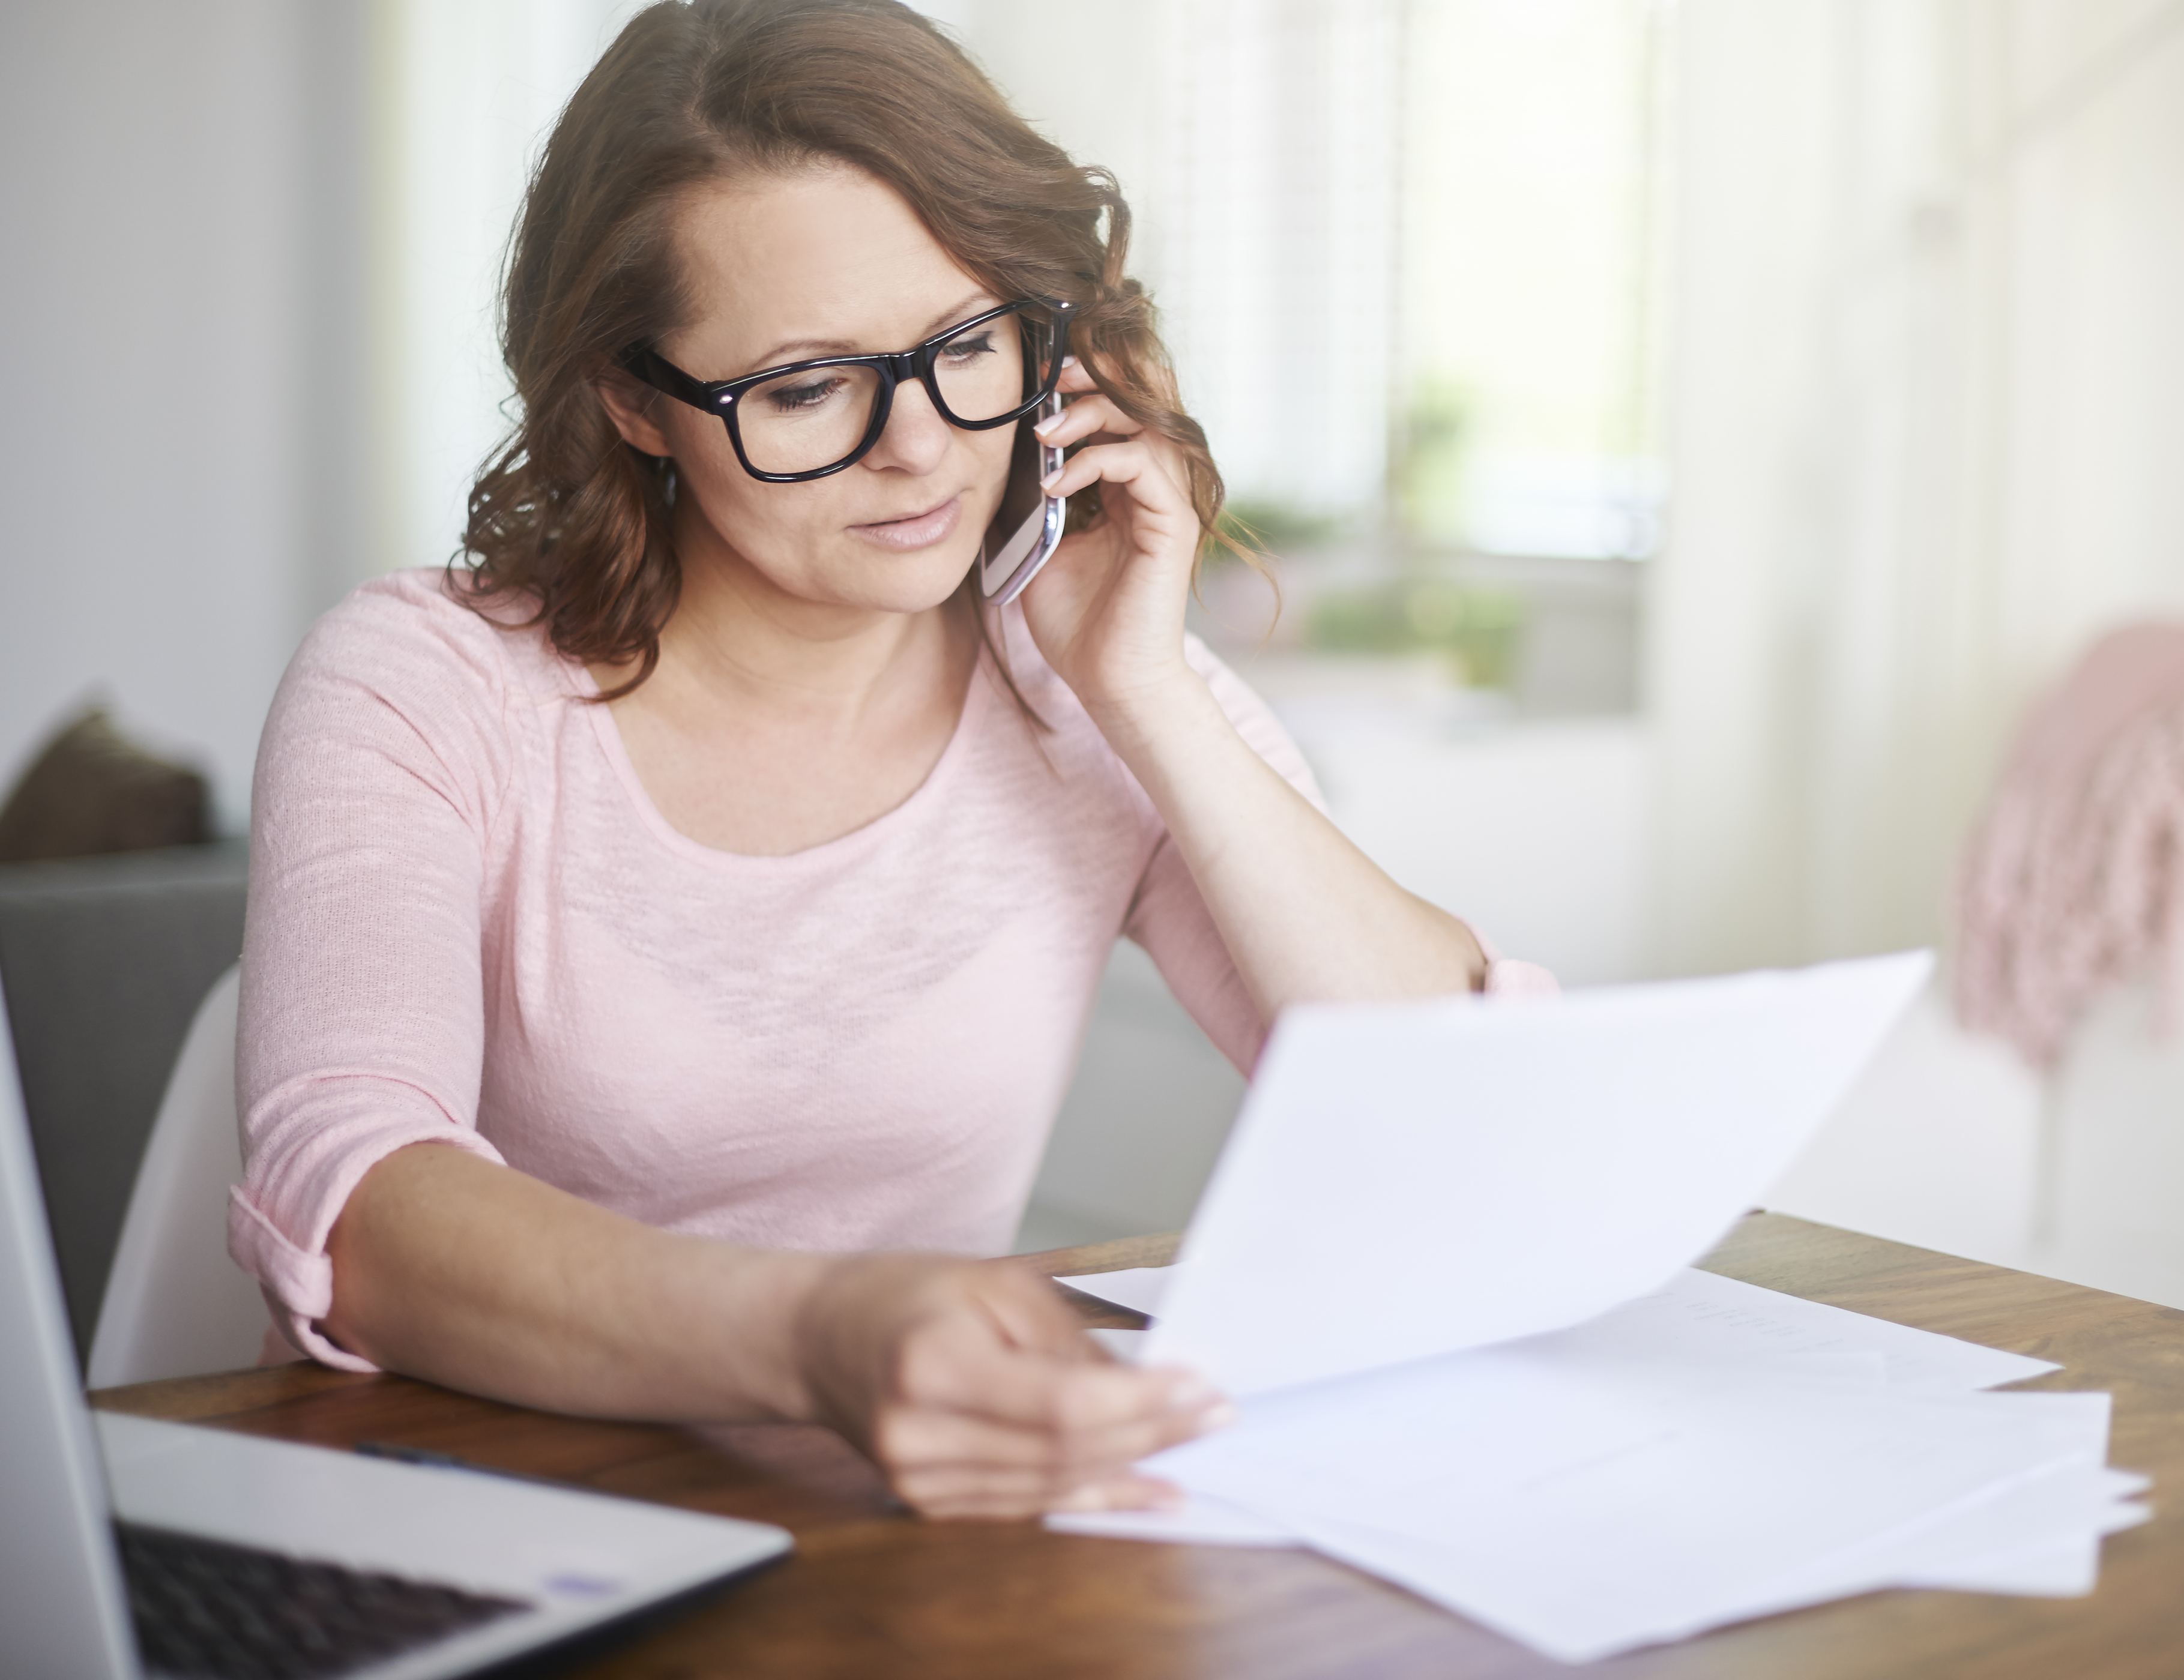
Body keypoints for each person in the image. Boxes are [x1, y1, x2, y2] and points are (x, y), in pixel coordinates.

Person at [229, 0, 1549, 1522]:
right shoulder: (425, 685)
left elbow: (1456, 1105)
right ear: (632, 399)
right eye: (805, 388)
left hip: (903, 1527)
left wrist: (1144, 690)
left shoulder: (1082, 685)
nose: (920, 446)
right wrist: (811, 1332)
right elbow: (356, 1199)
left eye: (963, 344)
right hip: (471, 1514)